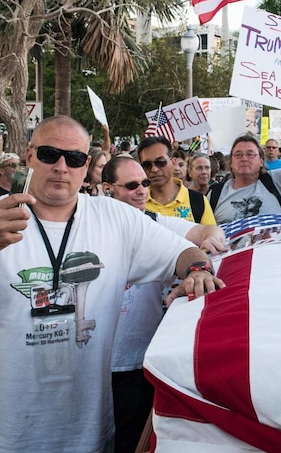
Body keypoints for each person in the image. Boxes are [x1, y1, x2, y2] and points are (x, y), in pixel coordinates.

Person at [0, 116, 224, 453]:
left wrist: (196, 269)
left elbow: (184, 251)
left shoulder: (114, 217)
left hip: (86, 434)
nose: (61, 166)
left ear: (86, 165)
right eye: (49, 154)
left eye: (74, 158)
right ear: (29, 155)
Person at [101, 156, 226, 453]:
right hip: (91, 364)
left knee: (128, 441)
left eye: (144, 183)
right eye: (131, 185)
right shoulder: (88, 226)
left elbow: (208, 232)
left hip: (137, 363)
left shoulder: (157, 223)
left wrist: (200, 265)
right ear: (107, 189)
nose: (142, 190)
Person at [209, 104, 281, 224]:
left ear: (261, 161)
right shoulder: (215, 193)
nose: (244, 158)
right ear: (231, 162)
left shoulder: (276, 181)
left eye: (250, 154)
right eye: (238, 154)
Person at [138, 136, 215, 224]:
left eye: (160, 162)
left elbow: (211, 234)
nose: (154, 169)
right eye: (147, 165)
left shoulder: (198, 201)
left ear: (173, 162)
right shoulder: (136, 203)